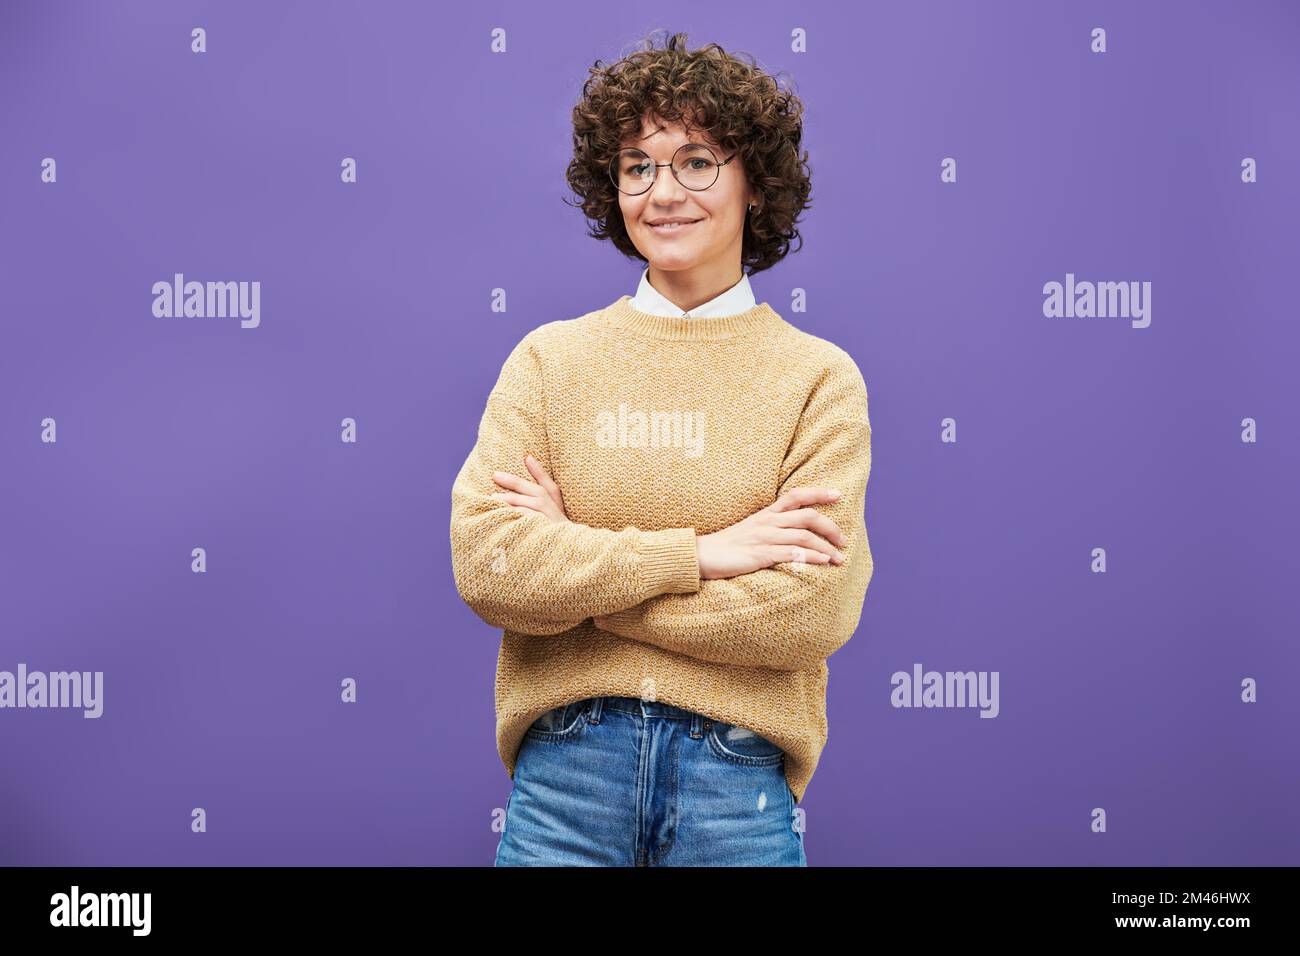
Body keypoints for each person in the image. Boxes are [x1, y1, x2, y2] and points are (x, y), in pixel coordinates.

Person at [449, 31, 873, 866]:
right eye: (638, 166)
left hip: (737, 788)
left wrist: (582, 584)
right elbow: (490, 564)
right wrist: (707, 553)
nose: (663, 191)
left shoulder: (818, 379)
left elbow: (807, 613)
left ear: (756, 182)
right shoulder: (549, 361)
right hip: (564, 782)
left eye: (696, 161)